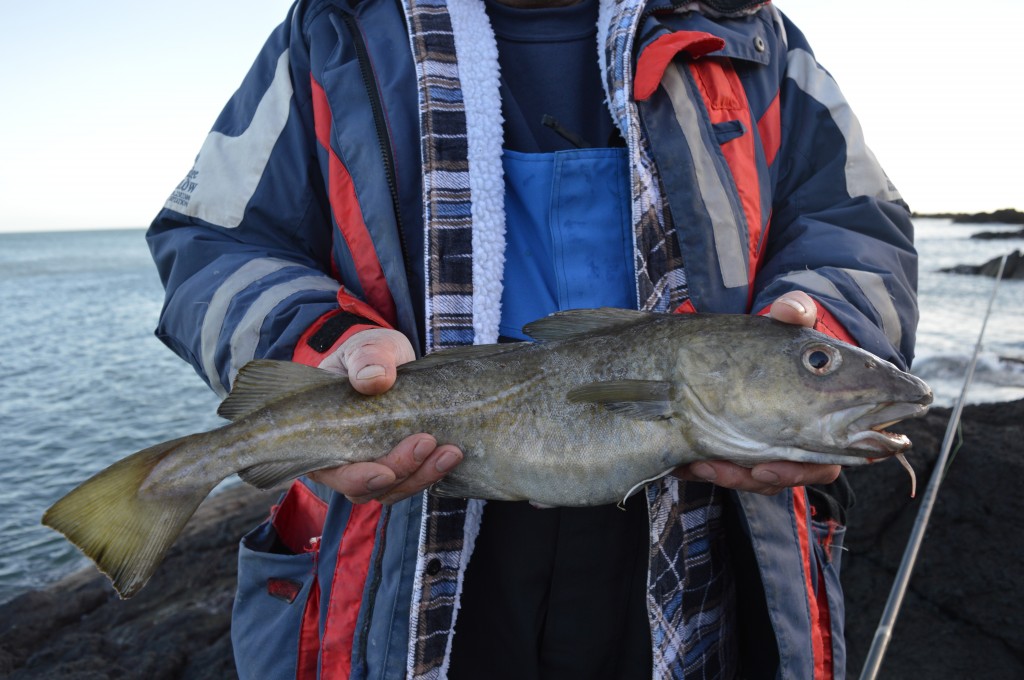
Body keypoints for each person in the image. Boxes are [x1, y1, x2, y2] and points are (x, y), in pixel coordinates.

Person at [146, 0, 918, 677]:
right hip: (403, 553)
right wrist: (320, 344)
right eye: (819, 367)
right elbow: (210, 242)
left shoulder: (752, 32)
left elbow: (858, 227)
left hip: (698, 550)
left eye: (819, 370)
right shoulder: (332, 29)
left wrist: (824, 325)